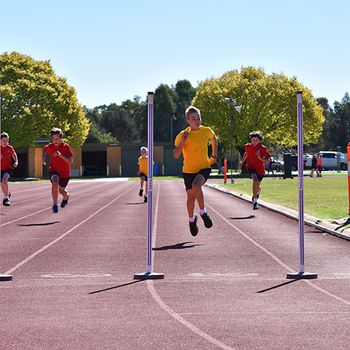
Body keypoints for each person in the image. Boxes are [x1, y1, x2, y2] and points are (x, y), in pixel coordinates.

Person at [174, 106, 217, 236]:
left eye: (198, 118)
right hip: (188, 170)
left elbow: (214, 139)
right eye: (193, 119)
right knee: (190, 197)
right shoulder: (182, 135)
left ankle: (203, 212)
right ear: (188, 120)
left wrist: (214, 155)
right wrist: (183, 141)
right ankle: (191, 220)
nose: (197, 121)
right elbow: (176, 155)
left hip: (204, 167)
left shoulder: (206, 131)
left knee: (196, 185)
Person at [42, 128, 73, 213]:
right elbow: (44, 149)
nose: (55, 141)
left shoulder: (65, 147)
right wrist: (43, 157)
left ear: (61, 138)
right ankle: (55, 205)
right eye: (54, 139)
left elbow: (70, 161)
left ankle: (66, 197)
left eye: (57, 139)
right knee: (55, 180)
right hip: (54, 170)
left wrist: (60, 155)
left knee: (61, 191)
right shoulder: (50, 146)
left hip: (65, 173)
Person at [240, 131, 271, 210]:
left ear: (259, 140)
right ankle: (255, 201)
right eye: (252, 140)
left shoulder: (262, 148)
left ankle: (257, 193)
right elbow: (246, 153)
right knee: (255, 179)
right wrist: (242, 161)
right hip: (250, 167)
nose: (254, 142)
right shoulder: (247, 146)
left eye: (256, 140)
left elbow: (267, 161)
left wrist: (259, 157)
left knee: (258, 185)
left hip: (260, 170)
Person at [1, 132, 18, 206]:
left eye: (6, 140)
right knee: (2, 184)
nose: (5, 142)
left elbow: (14, 154)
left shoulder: (10, 148)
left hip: (8, 168)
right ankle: (7, 193)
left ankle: (6, 198)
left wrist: (16, 162)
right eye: (3, 140)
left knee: (4, 181)